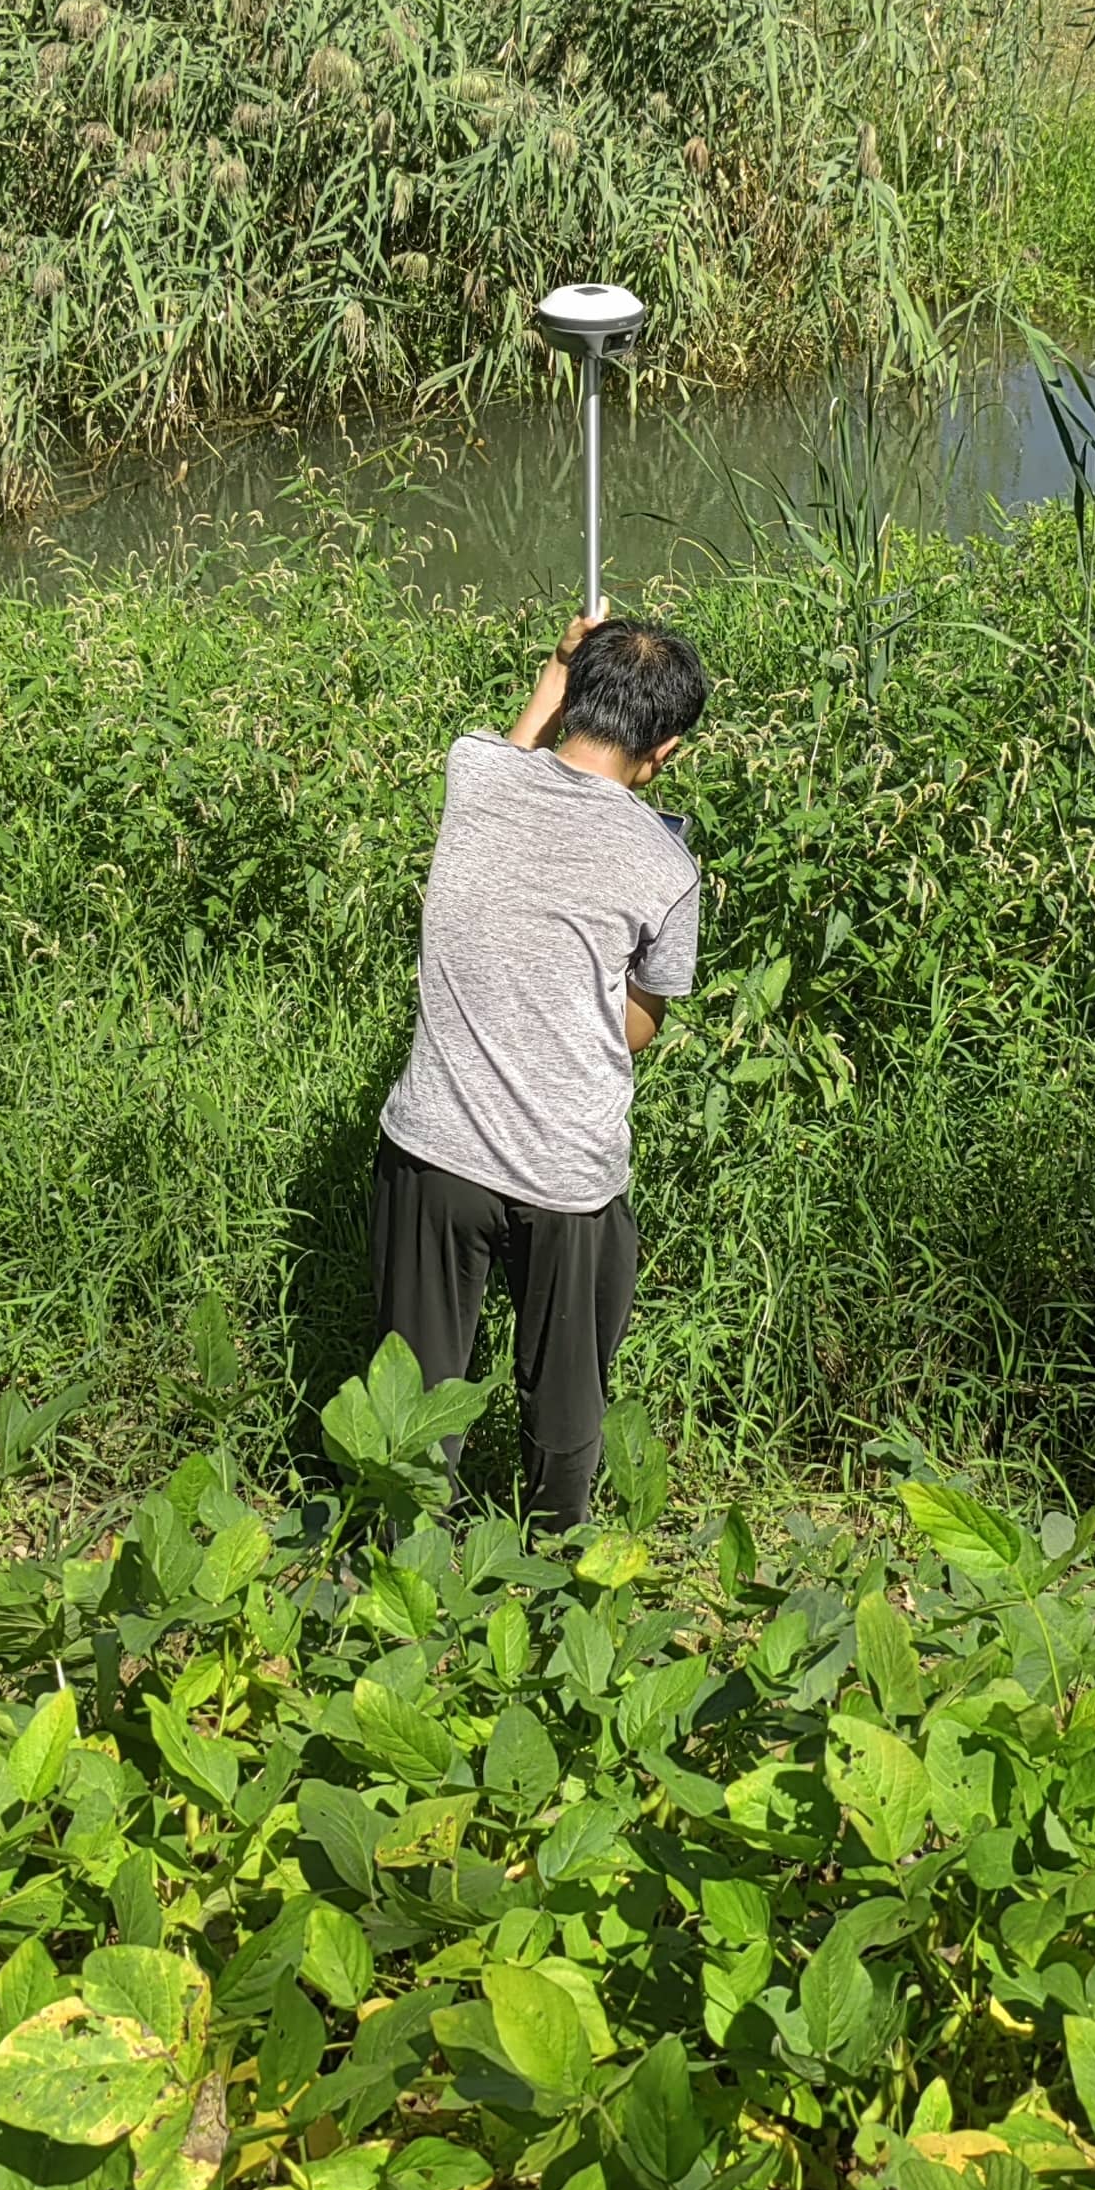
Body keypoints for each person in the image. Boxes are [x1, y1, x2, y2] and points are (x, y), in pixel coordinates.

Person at [369, 612, 707, 1528]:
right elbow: (637, 1028)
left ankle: (403, 1555)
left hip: (435, 1151)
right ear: (665, 751)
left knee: (415, 1382)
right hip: (567, 1172)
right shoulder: (667, 865)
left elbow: (521, 743)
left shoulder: (474, 773)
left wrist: (557, 668)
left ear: (574, 700)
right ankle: (558, 1551)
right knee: (566, 1387)